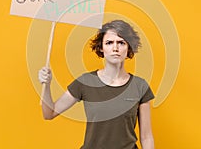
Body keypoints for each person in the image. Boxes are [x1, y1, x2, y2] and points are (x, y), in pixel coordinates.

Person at [38, 20, 155, 149]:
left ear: (129, 48)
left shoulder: (140, 86)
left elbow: (146, 136)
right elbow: (49, 113)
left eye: (121, 43)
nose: (115, 48)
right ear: (101, 48)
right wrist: (47, 85)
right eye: (109, 43)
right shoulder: (86, 82)